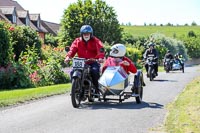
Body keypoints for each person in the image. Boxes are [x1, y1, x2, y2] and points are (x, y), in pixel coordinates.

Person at [64, 25, 105, 93]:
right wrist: (68, 57)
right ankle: (75, 88)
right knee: (72, 72)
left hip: (92, 61)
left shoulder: (96, 41)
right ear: (81, 34)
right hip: (81, 61)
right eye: (84, 34)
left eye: (88, 34)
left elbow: (100, 49)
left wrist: (100, 57)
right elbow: (72, 49)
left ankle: (96, 89)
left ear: (91, 34)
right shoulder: (77, 41)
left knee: (95, 71)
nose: (86, 35)